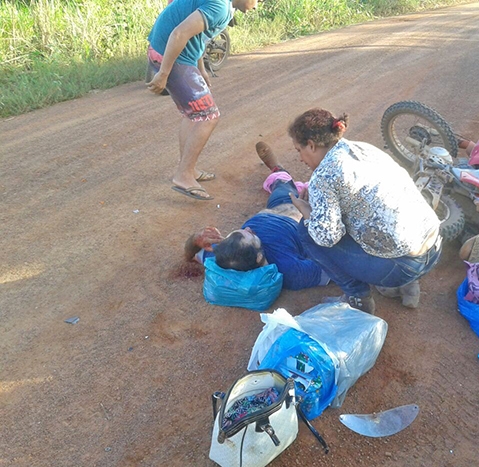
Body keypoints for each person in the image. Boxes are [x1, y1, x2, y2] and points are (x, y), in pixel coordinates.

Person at [285, 108, 443, 315]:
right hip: (433, 247)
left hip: (403, 265)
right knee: (365, 218)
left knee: (306, 231)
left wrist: (307, 210)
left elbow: (327, 237)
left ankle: (358, 298)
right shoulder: (362, 149)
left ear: (312, 145)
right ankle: (408, 285)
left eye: (299, 150)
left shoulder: (324, 176)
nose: (300, 158)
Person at [146, 0, 261, 200]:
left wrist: (201, 68)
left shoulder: (223, 5)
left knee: (192, 115)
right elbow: (179, 34)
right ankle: (184, 174)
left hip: (169, 53)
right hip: (171, 57)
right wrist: (164, 73)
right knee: (209, 115)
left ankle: (188, 168)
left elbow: (195, 35)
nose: (256, 6)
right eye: (258, 0)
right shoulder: (220, 7)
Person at [184, 142, 329, 290]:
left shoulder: (226, 255)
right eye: (250, 235)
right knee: (325, 189)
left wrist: (196, 240)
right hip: (308, 215)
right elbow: (338, 266)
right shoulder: (292, 272)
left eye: (239, 231)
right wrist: (311, 213)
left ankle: (278, 169)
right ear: (259, 258)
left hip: (277, 205)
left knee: (282, 183)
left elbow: (190, 254)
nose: (248, 228)